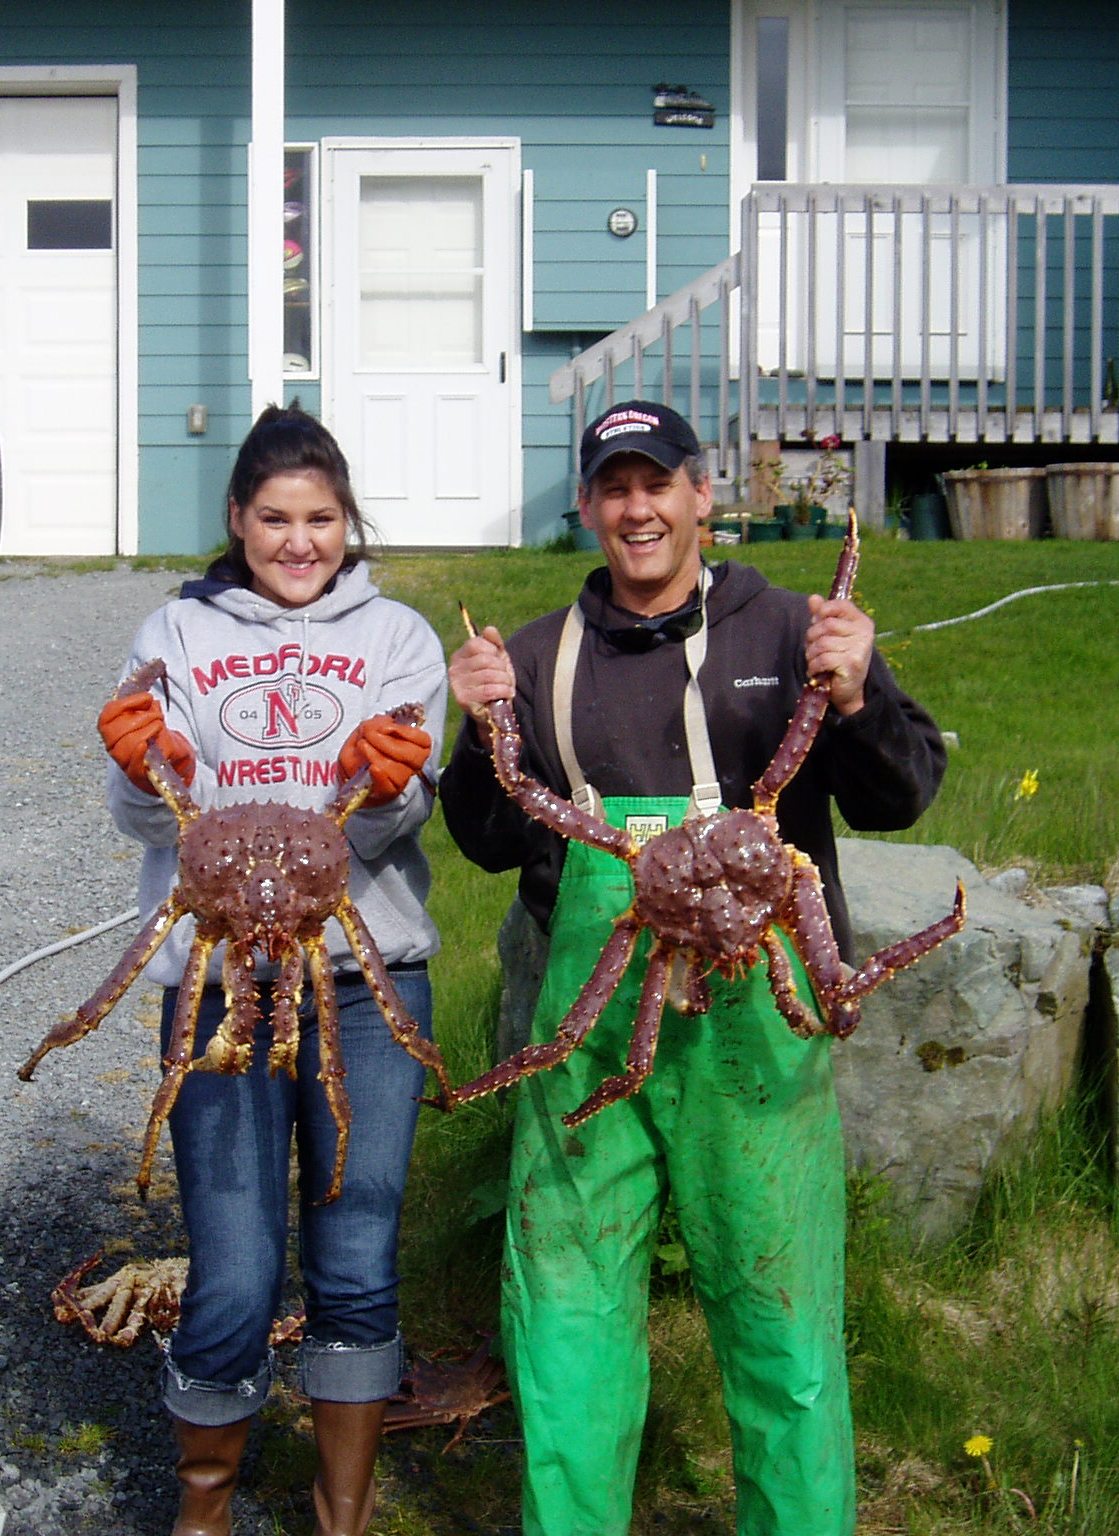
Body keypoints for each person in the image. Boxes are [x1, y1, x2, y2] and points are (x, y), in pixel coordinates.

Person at [438, 399, 947, 1536]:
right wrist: (477, 731)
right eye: (614, 488)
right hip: (591, 1020)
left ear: (702, 496)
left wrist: (860, 692)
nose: (637, 508)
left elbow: (901, 794)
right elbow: (484, 840)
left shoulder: (790, 635)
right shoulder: (532, 658)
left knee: (781, 1313)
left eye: (657, 483)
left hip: (760, 1034)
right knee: (568, 1308)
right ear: (587, 508)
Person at [96, 404, 446, 1536]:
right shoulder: (175, 635)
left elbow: (395, 822)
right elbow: (144, 818)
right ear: (238, 522)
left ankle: (341, 1515)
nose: (301, 543)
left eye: (322, 519)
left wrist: (387, 786)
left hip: (360, 974)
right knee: (235, 1272)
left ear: (348, 521)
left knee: (355, 1262)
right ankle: (205, 1513)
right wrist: (152, 774)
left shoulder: (398, 638)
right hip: (217, 987)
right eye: (275, 520)